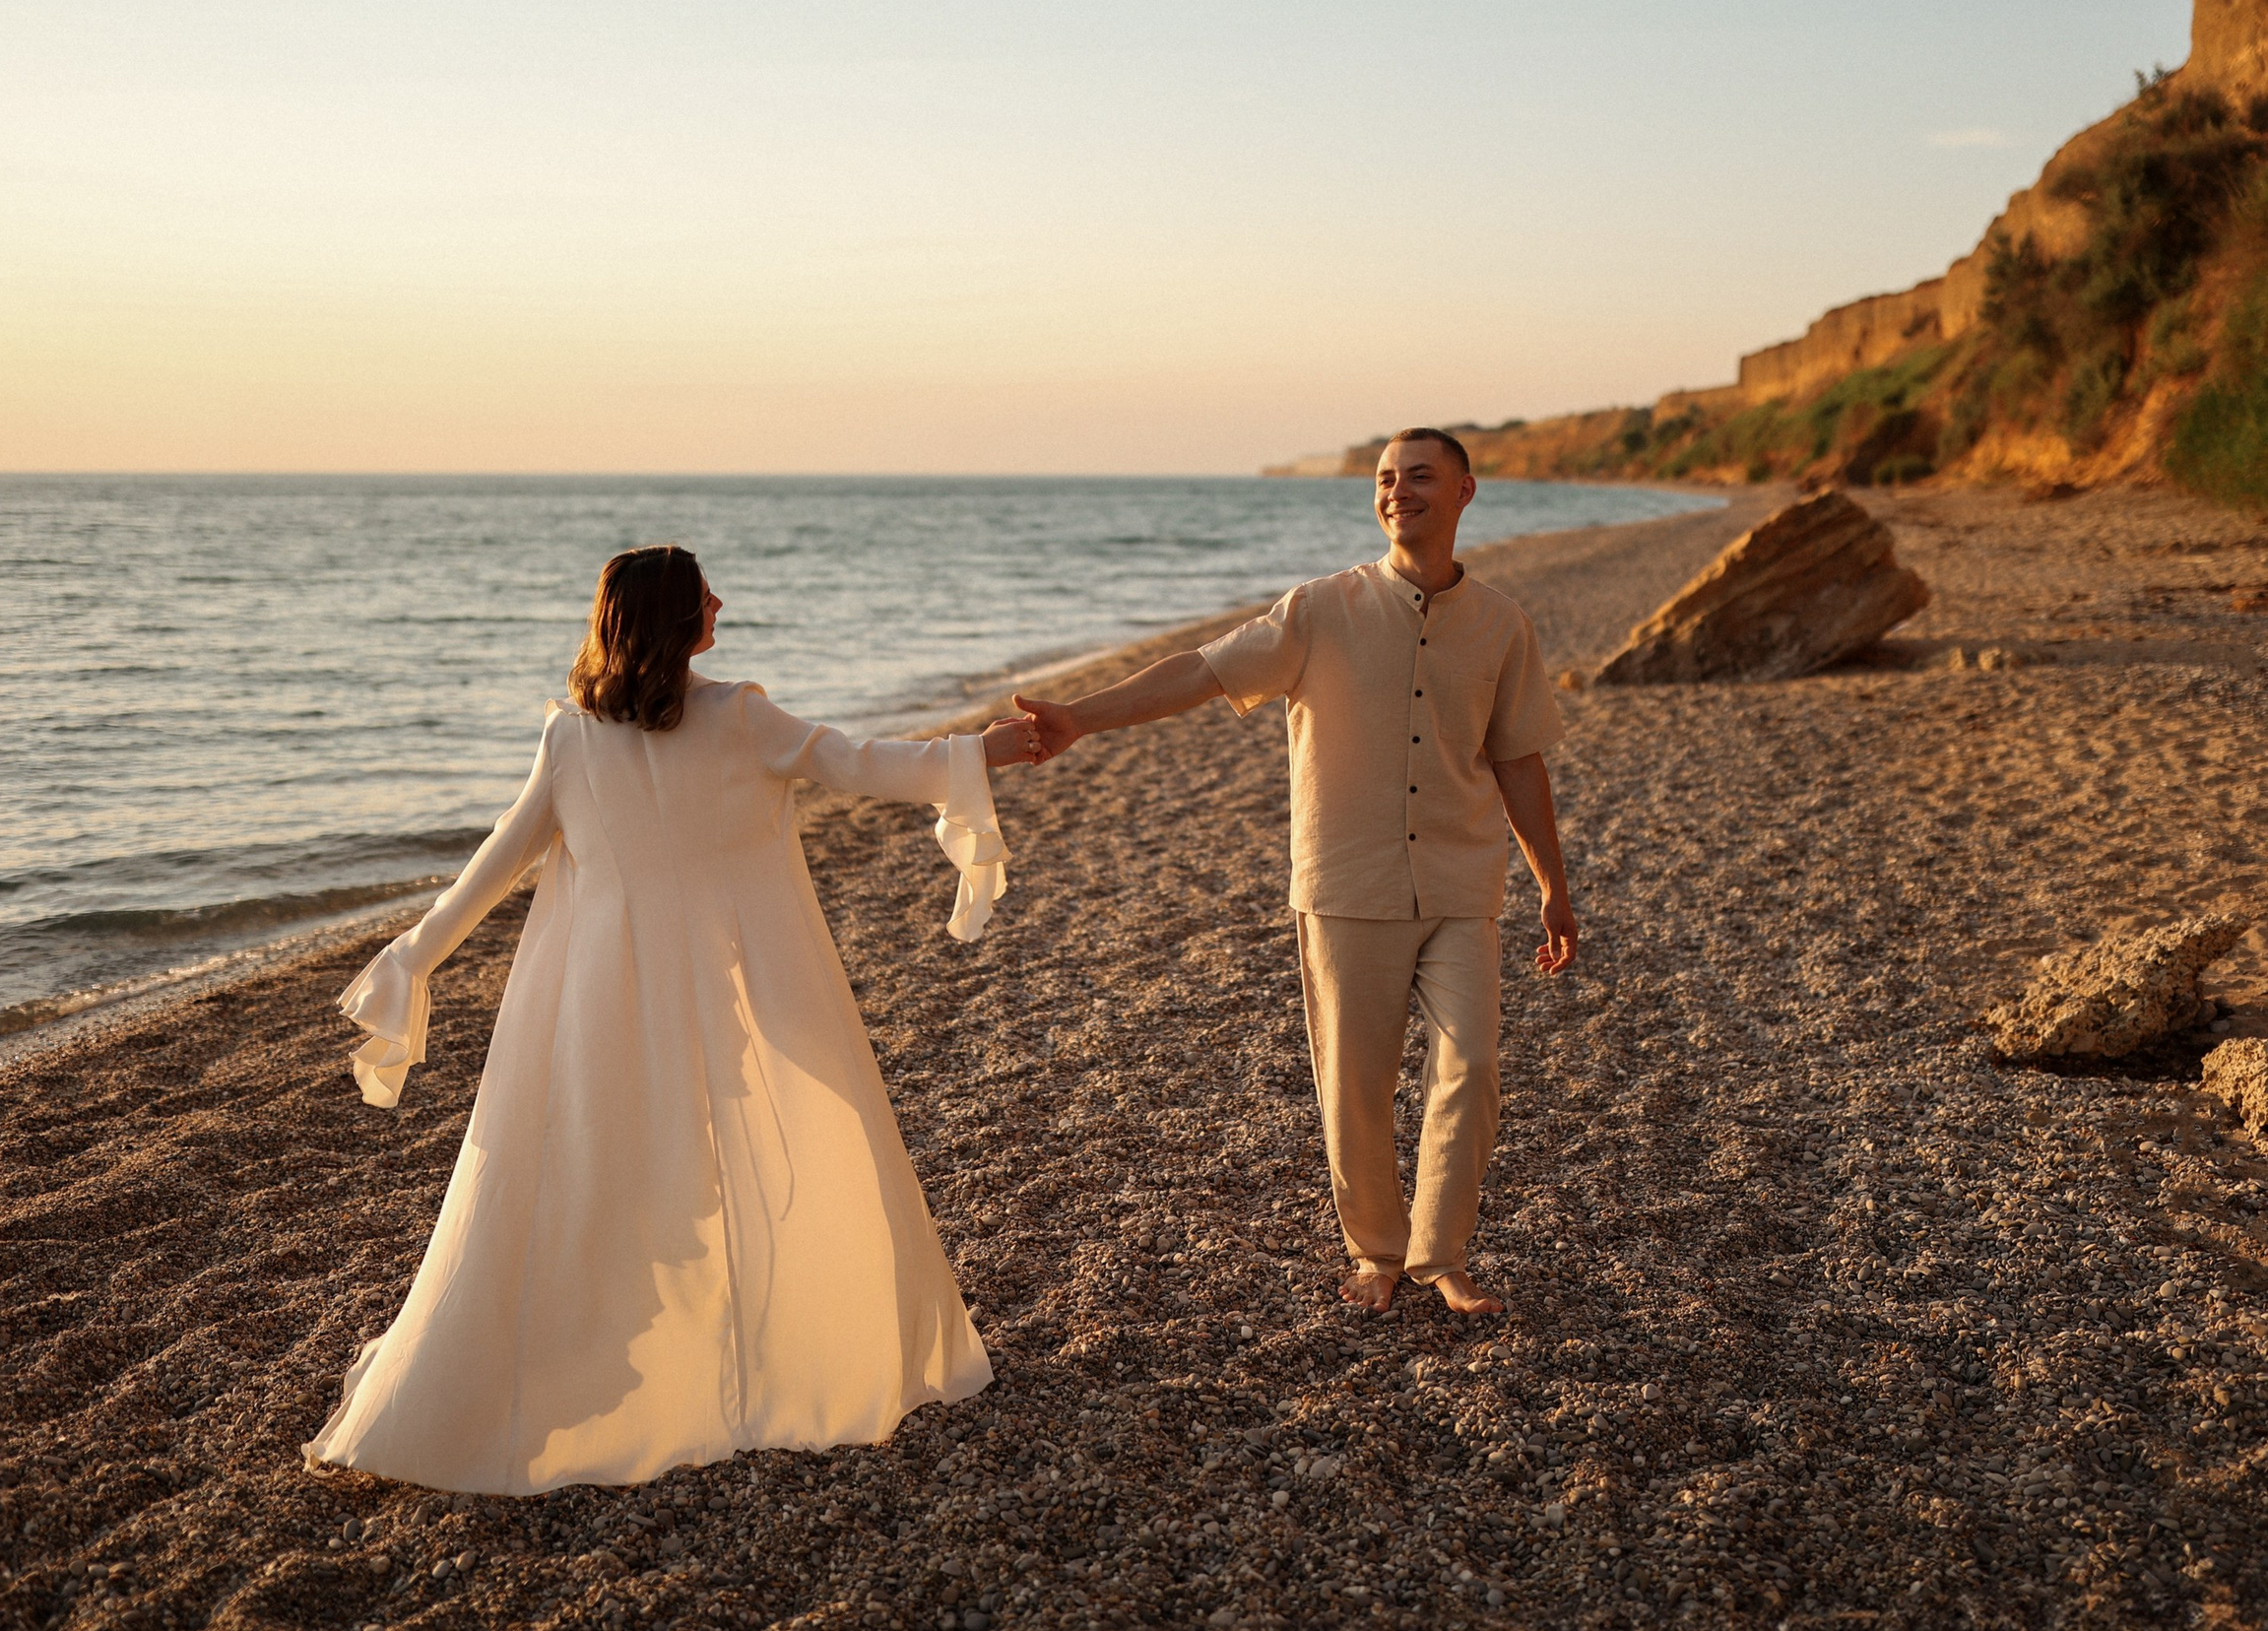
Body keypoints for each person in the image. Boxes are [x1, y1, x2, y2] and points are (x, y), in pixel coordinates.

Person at [305, 544, 1043, 1495]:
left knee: (609, 1179)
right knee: (775, 1153)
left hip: (605, 997)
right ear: (674, 619)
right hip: (741, 982)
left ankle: (656, 1375)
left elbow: (499, 863)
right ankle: (758, 1364)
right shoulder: (739, 717)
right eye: (706, 596)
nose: (722, 604)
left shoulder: (574, 737)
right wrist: (977, 757)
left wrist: (415, 957)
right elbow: (859, 765)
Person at [1014, 428, 1574, 1317]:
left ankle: (1444, 1255)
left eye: (1420, 477)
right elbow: (1200, 672)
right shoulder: (1318, 610)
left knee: (1471, 1066)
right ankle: (1379, 1253)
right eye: (1386, 480)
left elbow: (1518, 761)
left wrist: (1553, 884)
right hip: (1348, 882)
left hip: (1464, 881)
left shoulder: (1504, 625)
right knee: (1354, 1077)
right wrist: (1082, 716)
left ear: (1466, 491)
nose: (1398, 492)